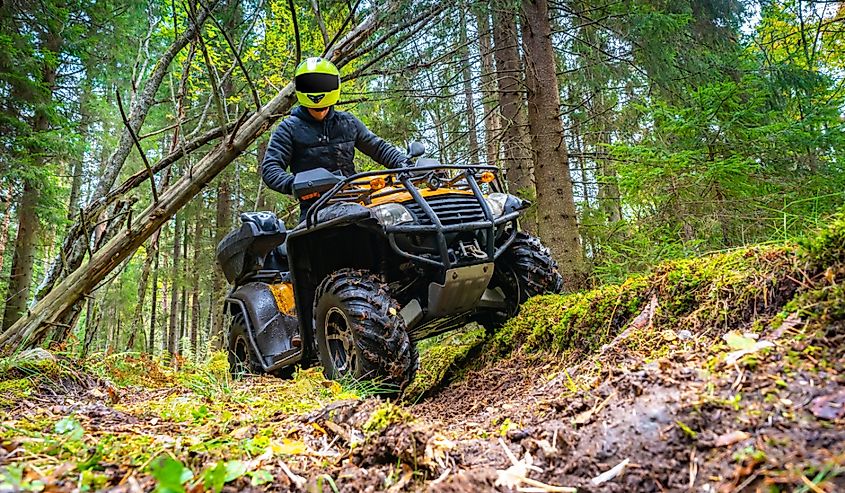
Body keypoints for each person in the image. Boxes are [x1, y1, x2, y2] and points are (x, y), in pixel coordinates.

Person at [261, 57, 408, 223]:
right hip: (315, 208)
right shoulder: (288, 128)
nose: (319, 108)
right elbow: (270, 168)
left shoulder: (348, 122)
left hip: (356, 202)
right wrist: (297, 184)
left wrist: (404, 163)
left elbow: (378, 148)